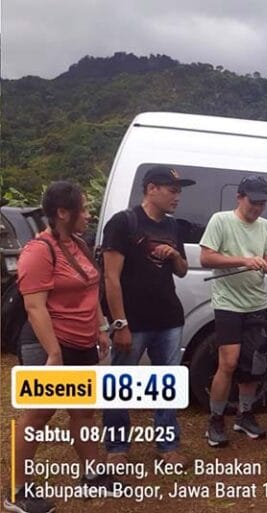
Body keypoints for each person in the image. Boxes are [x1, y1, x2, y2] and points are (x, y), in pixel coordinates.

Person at [5, 181, 118, 513]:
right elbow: (34, 307)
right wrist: (54, 354)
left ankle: (92, 474)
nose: (89, 214)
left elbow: (90, 290)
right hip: (48, 346)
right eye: (84, 208)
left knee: (84, 412)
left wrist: (100, 329)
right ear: (63, 213)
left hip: (81, 343)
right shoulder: (39, 251)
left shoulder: (78, 244)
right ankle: (17, 492)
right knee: (38, 416)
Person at [101, 166, 195, 466]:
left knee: (166, 384)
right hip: (133, 321)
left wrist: (174, 255)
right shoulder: (123, 222)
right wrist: (120, 323)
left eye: (179, 191)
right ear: (151, 189)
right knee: (120, 384)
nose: (177, 197)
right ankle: (117, 447)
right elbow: (110, 278)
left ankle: (168, 446)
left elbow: (182, 271)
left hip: (169, 318)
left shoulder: (173, 226)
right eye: (172, 190)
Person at [199, 175, 267, 447]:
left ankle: (245, 415)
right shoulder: (221, 221)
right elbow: (206, 257)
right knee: (229, 362)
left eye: (262, 203)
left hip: (257, 302)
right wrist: (244, 260)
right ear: (239, 197)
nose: (257, 208)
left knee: (254, 364)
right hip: (228, 304)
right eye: (253, 202)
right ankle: (215, 419)